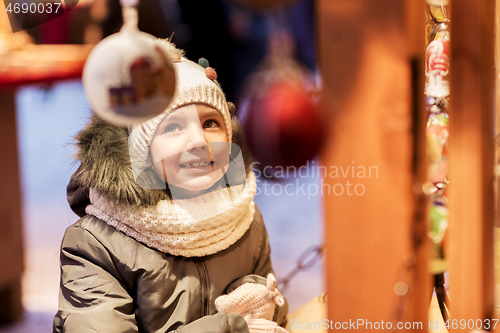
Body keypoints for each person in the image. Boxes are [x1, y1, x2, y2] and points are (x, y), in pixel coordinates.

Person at [53, 40, 288, 333]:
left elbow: (274, 314)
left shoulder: (245, 217)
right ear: (140, 150)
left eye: (211, 123)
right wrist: (228, 327)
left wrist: (256, 297)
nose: (199, 142)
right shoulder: (96, 244)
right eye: (173, 127)